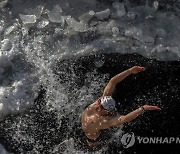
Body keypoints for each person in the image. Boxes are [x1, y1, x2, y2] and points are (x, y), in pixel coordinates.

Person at [81, 66, 161, 147]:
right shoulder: (103, 121)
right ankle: (92, 144)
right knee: (93, 142)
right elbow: (125, 119)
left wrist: (130, 71)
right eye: (103, 108)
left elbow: (113, 81)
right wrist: (143, 108)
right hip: (92, 135)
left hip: (86, 123)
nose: (99, 106)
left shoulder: (98, 103)